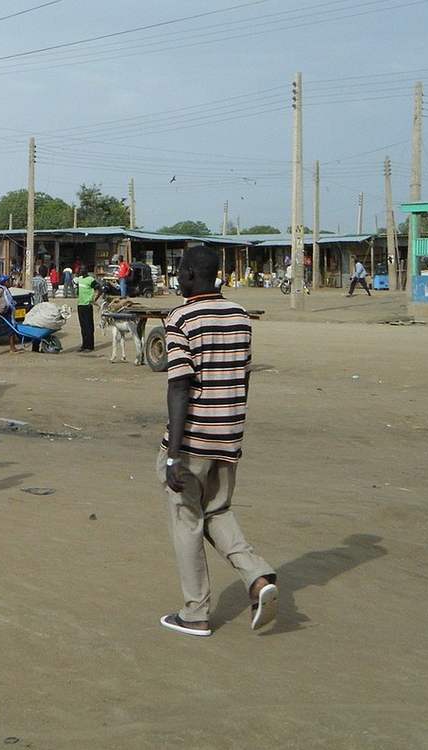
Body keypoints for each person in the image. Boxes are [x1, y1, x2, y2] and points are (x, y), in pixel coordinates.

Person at [157, 245, 276, 638]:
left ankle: (195, 613)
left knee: (187, 521)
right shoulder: (240, 316)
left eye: (179, 270)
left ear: (190, 274)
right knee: (219, 511)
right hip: (229, 436)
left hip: (191, 441)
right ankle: (257, 577)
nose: (178, 276)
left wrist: (173, 455)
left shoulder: (181, 318)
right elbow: (244, 374)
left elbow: (179, 385)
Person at [76, 269, 98, 352]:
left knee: (89, 326)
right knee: (83, 327)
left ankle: (90, 346)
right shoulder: (80, 279)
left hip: (87, 305)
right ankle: (84, 345)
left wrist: (94, 300)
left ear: (86, 271)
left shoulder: (91, 280)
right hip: (80, 305)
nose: (81, 271)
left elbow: (99, 289)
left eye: (82, 270)